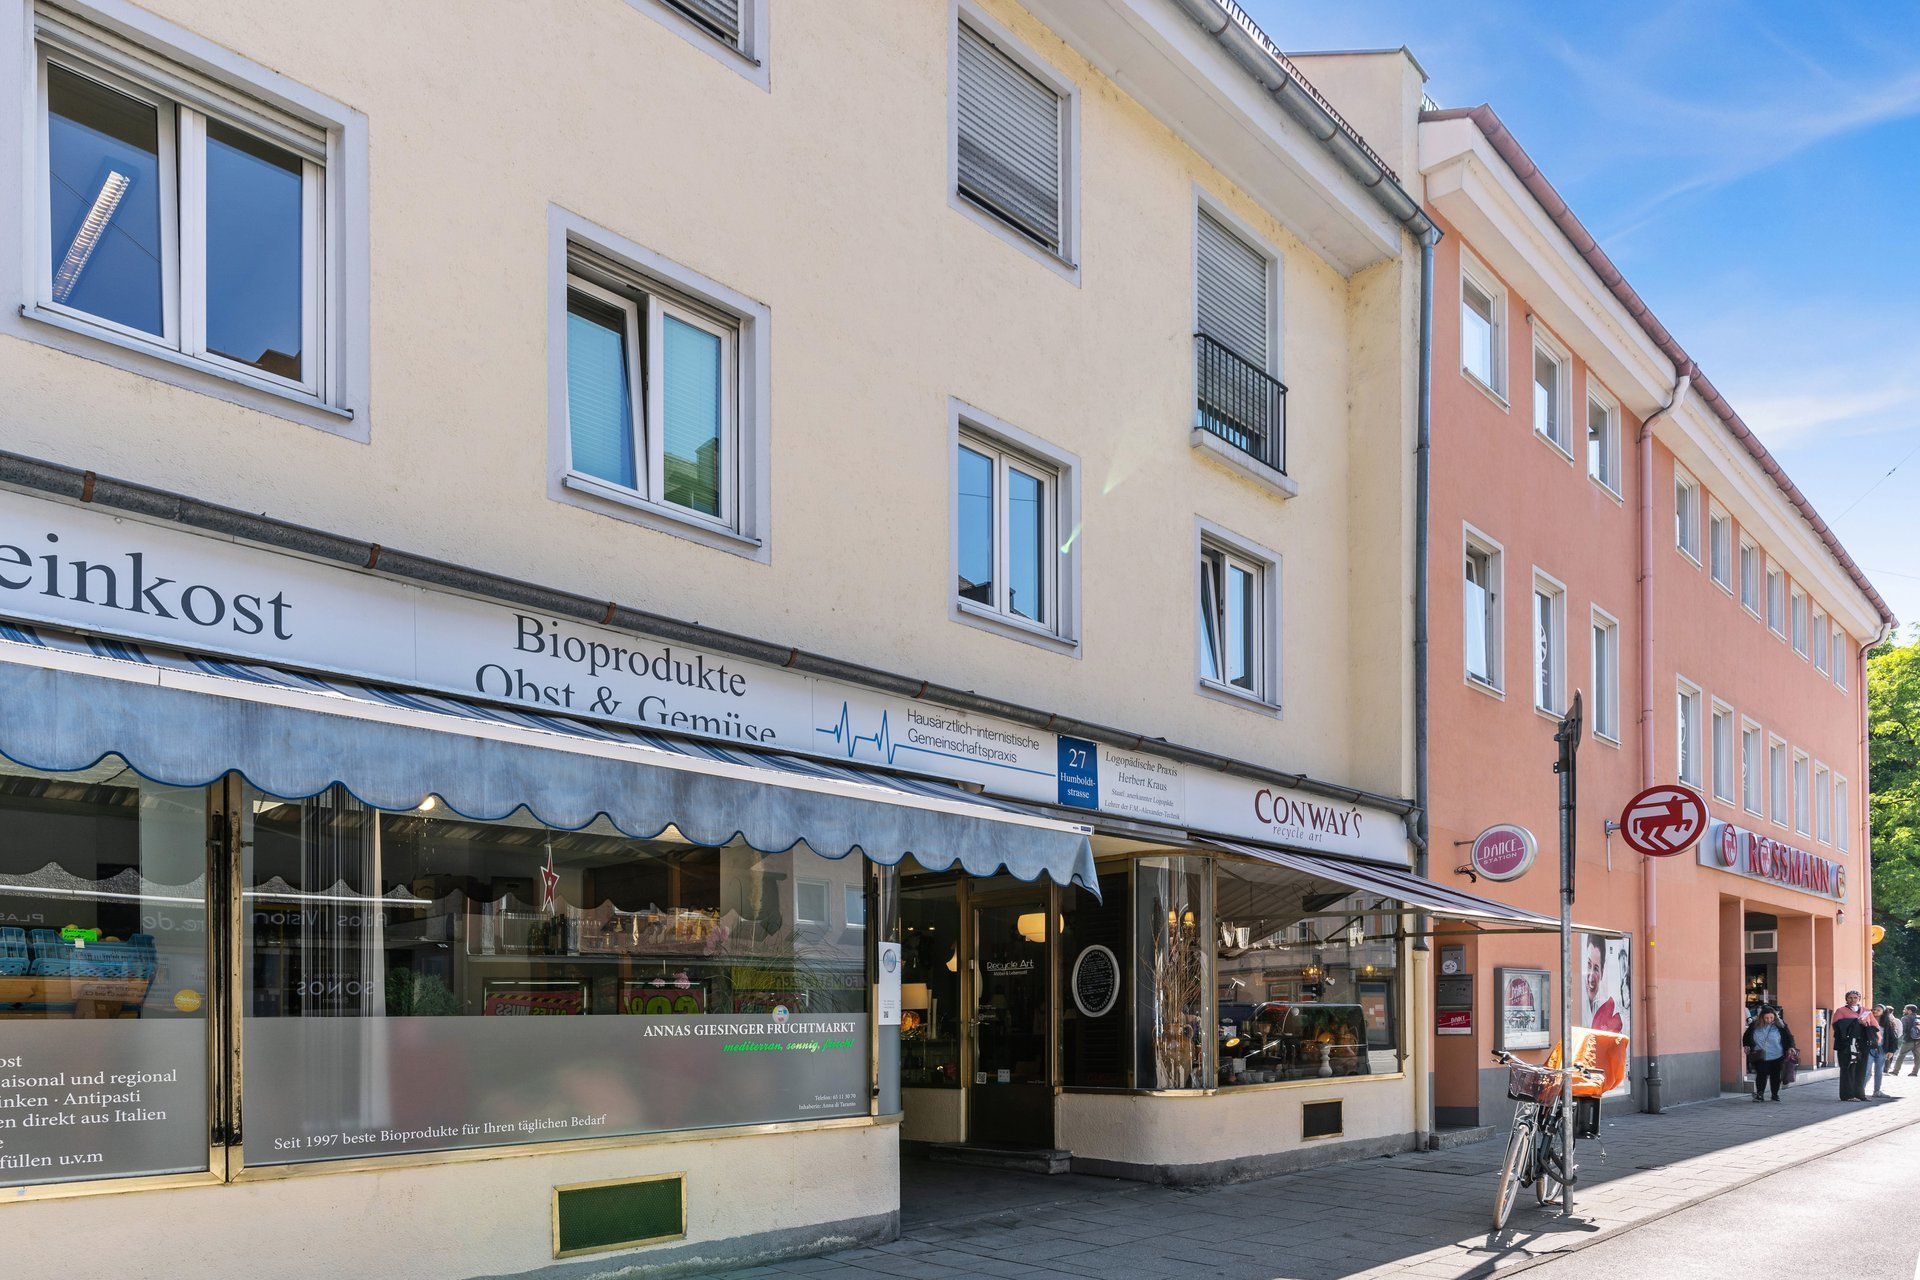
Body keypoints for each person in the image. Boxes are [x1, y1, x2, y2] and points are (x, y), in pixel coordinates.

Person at [1742, 1007, 1793, 1102]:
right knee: (1761, 1074)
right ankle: (1760, 1094)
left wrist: (1790, 1047)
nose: (1769, 1020)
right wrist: (1746, 1045)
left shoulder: (1780, 1025)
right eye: (1766, 1018)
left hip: (1777, 1054)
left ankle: (1775, 1094)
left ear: (1775, 1017)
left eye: (1771, 1018)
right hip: (1760, 1055)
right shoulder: (1755, 1025)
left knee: (1775, 1075)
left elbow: (1788, 1037)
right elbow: (1746, 1036)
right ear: (1762, 1017)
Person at [1834, 991, 1875, 1102]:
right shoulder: (1840, 1011)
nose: (1852, 1000)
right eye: (1850, 997)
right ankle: (1847, 1095)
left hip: (1862, 1044)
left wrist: (1865, 1024)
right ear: (1846, 999)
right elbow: (1837, 1026)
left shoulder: (1866, 1011)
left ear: (1859, 999)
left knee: (1861, 1069)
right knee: (1848, 1069)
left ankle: (1860, 1094)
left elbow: (1874, 1026)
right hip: (1847, 1045)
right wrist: (1855, 1022)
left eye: (1855, 997)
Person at [1876, 1005, 1901, 1097]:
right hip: (1870, 1048)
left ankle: (1877, 1091)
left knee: (1879, 1070)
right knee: (1867, 1071)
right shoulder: (1869, 1020)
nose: (1875, 1011)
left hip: (1882, 1048)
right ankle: (1861, 1092)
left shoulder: (1889, 1023)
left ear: (1884, 1012)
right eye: (1874, 1009)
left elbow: (1894, 1037)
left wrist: (1891, 1050)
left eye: (1878, 1010)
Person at [1896, 1005, 1920, 1077]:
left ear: (1909, 1011)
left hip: (1908, 1040)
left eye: (1905, 1009)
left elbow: (1903, 1029)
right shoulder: (1918, 1017)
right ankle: (1914, 1072)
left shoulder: (1905, 1018)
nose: (1903, 1010)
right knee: (1918, 1057)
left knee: (1901, 1055)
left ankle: (1895, 1071)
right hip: (1918, 1040)